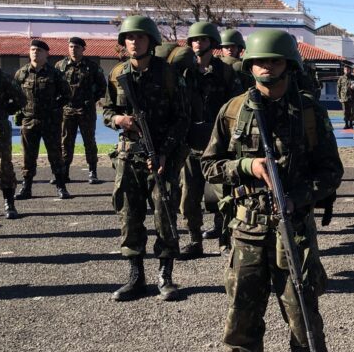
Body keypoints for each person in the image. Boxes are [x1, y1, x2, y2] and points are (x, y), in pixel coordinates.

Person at [202, 29, 344, 352]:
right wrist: (247, 167)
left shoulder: (310, 112)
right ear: (249, 66)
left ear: (288, 65)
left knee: (302, 307)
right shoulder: (232, 111)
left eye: (275, 61)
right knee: (242, 311)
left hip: (292, 229)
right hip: (247, 227)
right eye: (260, 62)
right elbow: (209, 166)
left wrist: (299, 197)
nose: (266, 68)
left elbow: (332, 172)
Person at [103, 15, 189, 301]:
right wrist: (118, 119)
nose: (133, 42)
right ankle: (135, 276)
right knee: (129, 215)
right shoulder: (117, 74)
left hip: (162, 155)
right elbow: (105, 111)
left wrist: (165, 151)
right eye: (129, 37)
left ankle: (165, 276)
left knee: (164, 214)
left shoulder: (167, 74)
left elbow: (182, 117)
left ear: (151, 41)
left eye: (139, 37)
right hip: (129, 157)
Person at [179, 21, 243, 259]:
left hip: (219, 145)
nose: (198, 43)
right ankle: (194, 240)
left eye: (203, 40)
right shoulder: (184, 73)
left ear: (212, 44)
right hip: (191, 143)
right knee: (189, 196)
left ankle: (225, 240)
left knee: (223, 193)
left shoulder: (226, 71)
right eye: (195, 40)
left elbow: (236, 106)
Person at [14, 39, 71, 200]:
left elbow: (67, 94)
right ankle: (26, 187)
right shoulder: (22, 73)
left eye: (39, 50)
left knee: (55, 155)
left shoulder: (55, 74)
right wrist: (20, 111)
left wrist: (54, 108)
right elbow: (15, 94)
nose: (35, 52)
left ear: (47, 54)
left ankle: (61, 186)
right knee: (28, 156)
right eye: (32, 50)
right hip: (29, 121)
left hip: (50, 122)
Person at [56, 37, 106, 185]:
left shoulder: (92, 67)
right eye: (71, 46)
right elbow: (55, 86)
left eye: (77, 47)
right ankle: (64, 172)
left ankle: (92, 171)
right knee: (66, 142)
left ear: (83, 49)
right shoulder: (60, 65)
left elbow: (102, 87)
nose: (73, 49)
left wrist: (90, 100)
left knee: (89, 141)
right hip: (67, 110)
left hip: (86, 110)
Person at [0, 40, 24, 219]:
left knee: (5, 168)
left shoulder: (2, 77)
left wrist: (5, 112)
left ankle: (9, 203)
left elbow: (21, 99)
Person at [336, 65, 353, 129]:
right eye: (345, 69)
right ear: (344, 70)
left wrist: (353, 87)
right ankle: (346, 124)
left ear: (350, 70)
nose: (346, 70)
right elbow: (338, 88)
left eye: (348, 69)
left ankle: (351, 124)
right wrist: (339, 97)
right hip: (343, 97)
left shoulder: (353, 78)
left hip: (351, 97)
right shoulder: (341, 78)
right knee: (345, 111)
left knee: (351, 111)